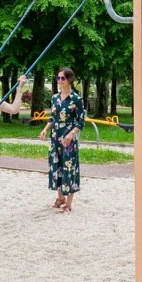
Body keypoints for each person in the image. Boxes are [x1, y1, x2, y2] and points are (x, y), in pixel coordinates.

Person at [39, 68, 86, 214]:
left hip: (68, 140)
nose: (59, 81)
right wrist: (46, 129)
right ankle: (60, 198)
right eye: (58, 78)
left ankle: (69, 203)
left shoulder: (76, 99)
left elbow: (81, 122)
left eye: (62, 78)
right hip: (55, 138)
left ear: (69, 80)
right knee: (56, 166)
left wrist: (71, 134)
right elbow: (53, 118)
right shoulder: (55, 98)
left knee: (69, 168)